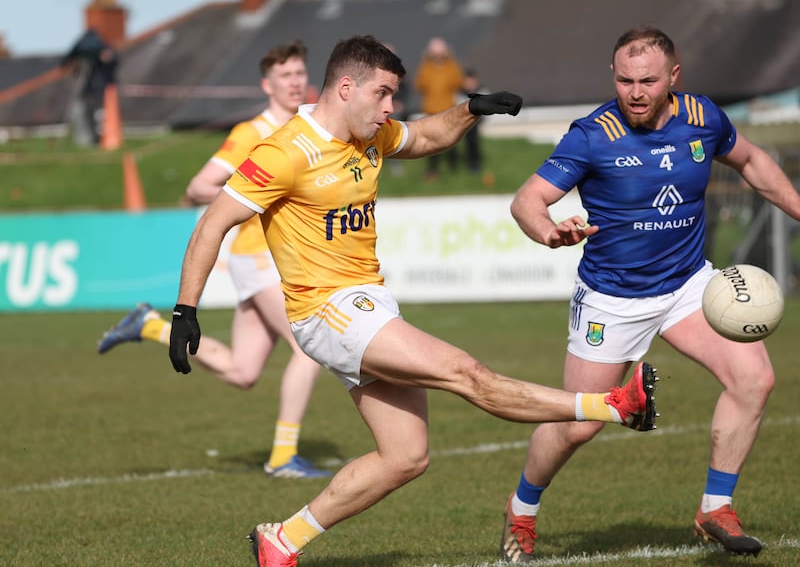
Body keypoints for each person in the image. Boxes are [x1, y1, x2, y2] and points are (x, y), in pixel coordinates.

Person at [167, 34, 659, 566]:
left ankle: (281, 541)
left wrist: (471, 109)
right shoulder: (285, 151)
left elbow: (425, 136)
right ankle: (611, 405)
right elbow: (213, 221)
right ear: (346, 86)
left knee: (405, 456)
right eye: (382, 94)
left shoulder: (367, 134)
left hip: (369, 302)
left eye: (393, 96)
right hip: (327, 310)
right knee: (466, 373)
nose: (390, 109)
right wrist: (185, 311)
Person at [501, 25, 799, 562]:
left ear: (673, 78)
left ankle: (715, 508)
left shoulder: (704, 117)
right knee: (579, 425)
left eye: (648, 80)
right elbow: (527, 201)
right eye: (624, 80)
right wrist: (549, 231)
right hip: (612, 298)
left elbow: (752, 162)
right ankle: (521, 509)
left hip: (687, 285)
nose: (635, 92)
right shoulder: (593, 134)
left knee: (754, 379)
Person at [97, 40, 331, 479]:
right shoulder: (251, 132)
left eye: (300, 73)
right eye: (286, 75)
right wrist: (254, 198)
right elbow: (198, 186)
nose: (296, 82)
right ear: (267, 84)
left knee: (243, 372)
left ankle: (148, 326)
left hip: (278, 259)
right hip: (258, 257)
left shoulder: (311, 126)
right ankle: (283, 457)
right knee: (310, 349)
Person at [413, 36, 464, 179]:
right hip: (431, 109)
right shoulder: (425, 67)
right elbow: (419, 84)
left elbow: (459, 81)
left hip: (448, 108)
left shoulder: (452, 66)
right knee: (431, 141)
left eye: (440, 52)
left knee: (452, 139)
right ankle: (432, 169)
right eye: (435, 52)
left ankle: (454, 169)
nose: (438, 55)